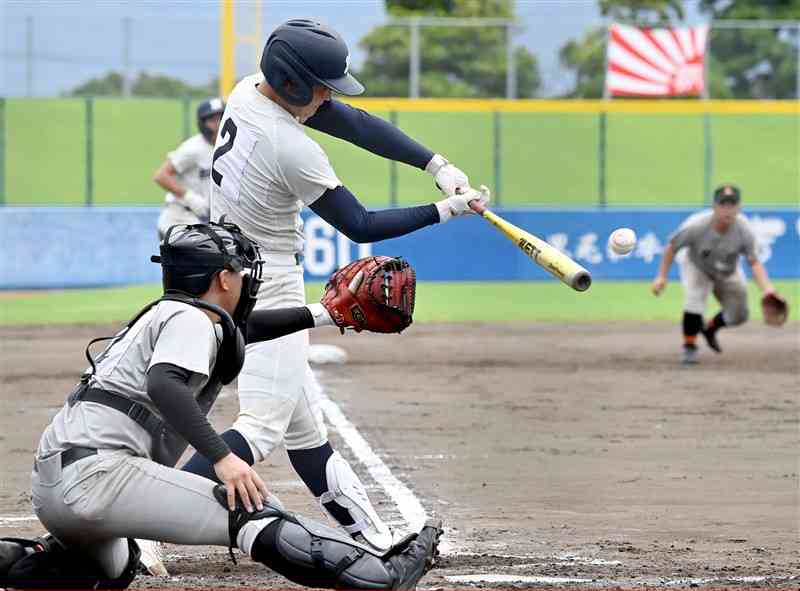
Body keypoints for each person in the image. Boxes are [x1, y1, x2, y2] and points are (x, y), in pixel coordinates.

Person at [178, 17, 490, 556]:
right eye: (322, 84)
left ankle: (369, 537)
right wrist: (447, 210)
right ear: (295, 82)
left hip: (231, 270)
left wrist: (434, 164)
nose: (328, 96)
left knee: (303, 430)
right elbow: (360, 225)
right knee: (262, 427)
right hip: (267, 279)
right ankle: (138, 515)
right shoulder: (288, 146)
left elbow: (347, 120)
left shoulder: (250, 90)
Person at [8, 222, 441, 590]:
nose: (248, 277)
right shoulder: (190, 319)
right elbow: (165, 384)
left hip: (57, 486)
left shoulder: (175, 316)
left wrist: (323, 313)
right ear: (223, 279)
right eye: (240, 269)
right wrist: (223, 458)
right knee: (250, 512)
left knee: (112, 568)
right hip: (99, 477)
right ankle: (381, 576)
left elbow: (242, 332)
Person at [651, 184, 778, 365]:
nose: (727, 209)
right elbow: (672, 247)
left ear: (739, 207)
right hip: (697, 266)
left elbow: (754, 261)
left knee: (739, 315)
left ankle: (710, 328)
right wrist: (661, 276)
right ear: (714, 206)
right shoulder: (697, 226)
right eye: (723, 204)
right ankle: (689, 346)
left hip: (728, 270)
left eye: (732, 204)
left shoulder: (744, 230)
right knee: (694, 300)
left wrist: (767, 290)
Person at [153, 98, 225, 239]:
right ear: (202, 124)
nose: (217, 125)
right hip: (179, 219)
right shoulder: (193, 148)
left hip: (205, 220)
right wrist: (190, 197)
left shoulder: (229, 147)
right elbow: (161, 176)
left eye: (221, 118)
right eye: (212, 120)